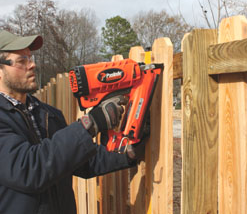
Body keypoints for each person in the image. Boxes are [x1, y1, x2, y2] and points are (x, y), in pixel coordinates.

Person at [0, 30, 143, 214]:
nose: (32, 65)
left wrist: (127, 154)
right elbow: (29, 168)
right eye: (22, 61)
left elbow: (79, 160)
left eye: (31, 58)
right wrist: (91, 124)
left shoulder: (47, 113)